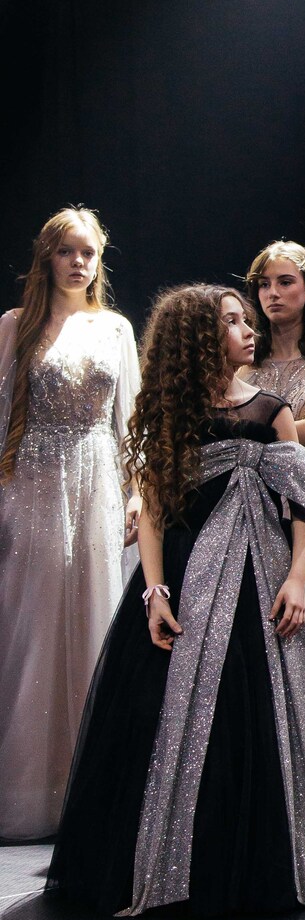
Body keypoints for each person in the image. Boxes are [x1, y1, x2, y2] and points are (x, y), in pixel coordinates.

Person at [47, 285, 305, 916]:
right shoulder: (173, 415)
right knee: (180, 714)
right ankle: (179, 862)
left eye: (244, 319)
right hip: (187, 577)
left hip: (268, 576)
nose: (249, 329)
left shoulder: (273, 410)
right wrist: (153, 589)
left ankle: (279, 858)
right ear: (200, 338)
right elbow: (153, 508)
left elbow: (303, 502)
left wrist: (297, 578)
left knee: (275, 713)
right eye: (232, 321)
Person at [0, 207, 140, 841]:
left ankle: (92, 796)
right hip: (33, 485)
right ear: (47, 257)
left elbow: (131, 423)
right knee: (32, 629)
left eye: (88, 252)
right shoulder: (16, 325)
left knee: (94, 622)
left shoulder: (115, 329)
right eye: (66, 251)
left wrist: (138, 494)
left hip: (99, 487)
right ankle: (28, 794)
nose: (78, 262)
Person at [247, 240, 305, 450]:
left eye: (285, 282)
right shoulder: (244, 363)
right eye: (264, 284)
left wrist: (248, 438)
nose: (272, 293)